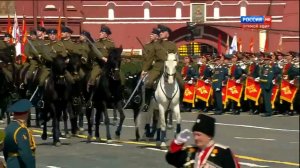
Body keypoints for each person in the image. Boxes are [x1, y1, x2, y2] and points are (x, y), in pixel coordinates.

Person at [166, 114, 240, 168]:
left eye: (199, 135)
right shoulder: (190, 150)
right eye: (194, 134)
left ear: (209, 136)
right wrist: (177, 143)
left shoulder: (223, 152)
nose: (196, 138)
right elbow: (171, 159)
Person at [141, 24, 184, 112]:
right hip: (158, 67)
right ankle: (146, 103)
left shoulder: (172, 45)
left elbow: (177, 58)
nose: (160, 33)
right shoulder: (155, 45)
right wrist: (144, 70)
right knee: (149, 82)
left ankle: (180, 103)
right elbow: (149, 59)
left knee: (182, 83)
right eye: (159, 32)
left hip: (170, 67)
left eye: (162, 32)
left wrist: (174, 65)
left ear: (167, 34)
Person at [3, 99, 36, 168]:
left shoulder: (8, 128)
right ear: (27, 113)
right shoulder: (21, 130)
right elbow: (25, 154)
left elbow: (5, 150)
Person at [87, 24, 115, 91]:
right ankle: (91, 92)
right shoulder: (96, 43)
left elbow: (113, 53)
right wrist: (102, 57)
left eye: (102, 33)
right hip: (99, 64)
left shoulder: (111, 43)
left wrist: (110, 59)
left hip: (108, 64)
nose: (100, 33)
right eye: (100, 32)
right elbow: (94, 52)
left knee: (118, 75)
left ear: (106, 34)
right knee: (93, 76)